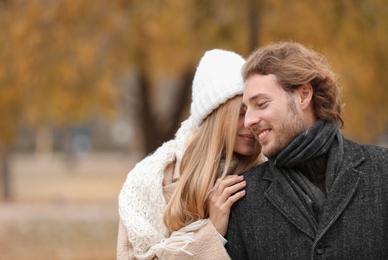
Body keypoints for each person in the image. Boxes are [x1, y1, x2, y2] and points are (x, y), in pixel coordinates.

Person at [226, 41, 388, 259]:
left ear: (303, 95)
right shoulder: (243, 199)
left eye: (261, 104)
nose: (250, 121)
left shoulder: (382, 171)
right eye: (246, 110)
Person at [117, 49, 265, 259]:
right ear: (215, 117)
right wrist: (212, 232)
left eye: (257, 109)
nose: (251, 122)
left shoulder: (267, 172)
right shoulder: (148, 182)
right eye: (240, 113)